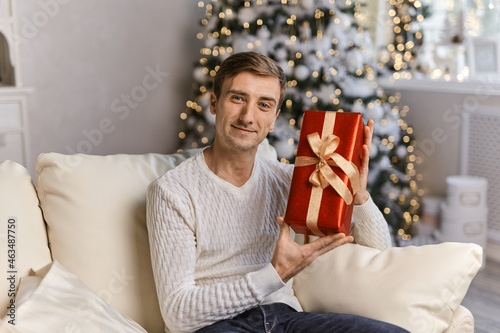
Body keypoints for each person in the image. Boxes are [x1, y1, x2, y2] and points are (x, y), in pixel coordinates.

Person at [146, 51, 408, 333]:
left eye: (264, 105)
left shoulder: (289, 181)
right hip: (216, 326)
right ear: (214, 102)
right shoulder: (171, 191)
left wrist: (358, 198)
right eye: (237, 98)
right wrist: (276, 274)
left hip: (286, 319)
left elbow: (380, 251)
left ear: (273, 119)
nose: (248, 116)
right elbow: (178, 314)